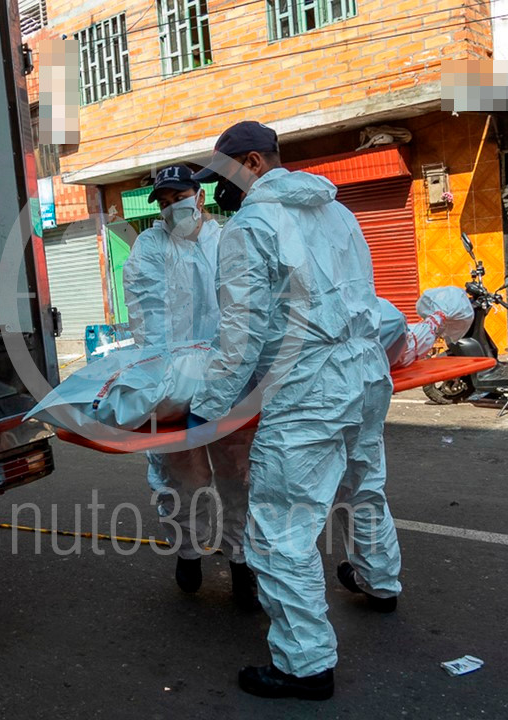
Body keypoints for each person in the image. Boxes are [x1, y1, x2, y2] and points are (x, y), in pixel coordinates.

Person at [187, 122, 402, 700]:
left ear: (253, 162)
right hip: (365, 373)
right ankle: (380, 582)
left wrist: (207, 410)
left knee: (280, 529)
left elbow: (241, 336)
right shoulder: (338, 211)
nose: (216, 190)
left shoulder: (250, 226)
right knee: (364, 485)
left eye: (223, 175)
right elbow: (364, 296)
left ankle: (305, 667)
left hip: (309, 388)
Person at [122, 163, 260, 610]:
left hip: (228, 378)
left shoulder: (228, 240)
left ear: (199, 197)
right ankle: (188, 550)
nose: (170, 208)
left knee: (239, 473)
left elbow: (247, 309)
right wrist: (163, 376)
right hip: (173, 381)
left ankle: (240, 561)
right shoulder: (150, 246)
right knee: (183, 476)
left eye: (178, 198)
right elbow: (146, 317)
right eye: (163, 203)